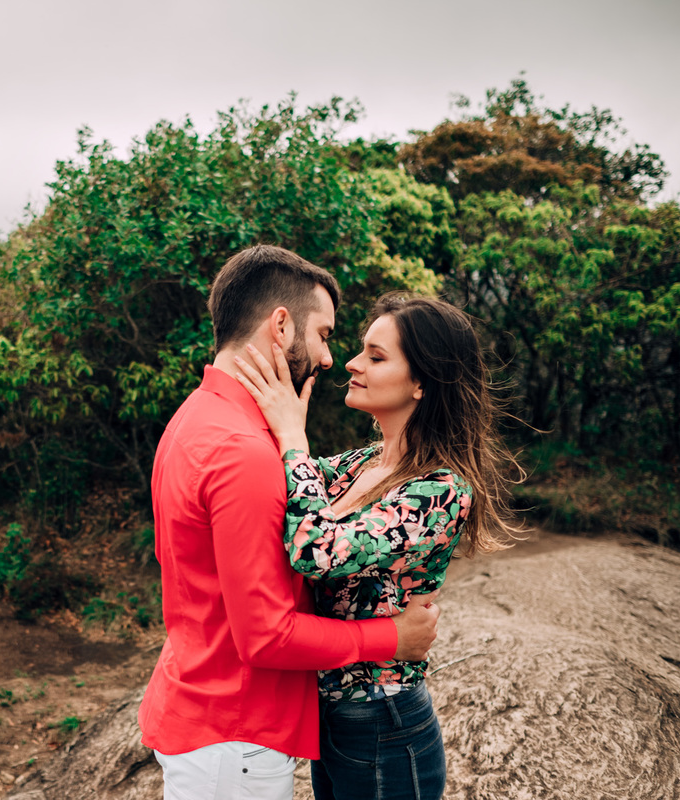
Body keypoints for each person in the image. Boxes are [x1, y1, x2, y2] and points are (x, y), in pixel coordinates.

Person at [138, 246, 440, 800]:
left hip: (208, 711)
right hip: (236, 732)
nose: (330, 359)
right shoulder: (244, 452)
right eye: (324, 334)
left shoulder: (195, 417)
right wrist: (393, 635)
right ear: (281, 324)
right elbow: (267, 636)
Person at [233, 293, 521, 800]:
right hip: (331, 715)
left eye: (375, 355)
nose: (351, 362)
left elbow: (314, 551)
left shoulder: (440, 490)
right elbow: (279, 492)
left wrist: (293, 438)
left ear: (421, 383)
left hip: (384, 722)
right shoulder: (364, 464)